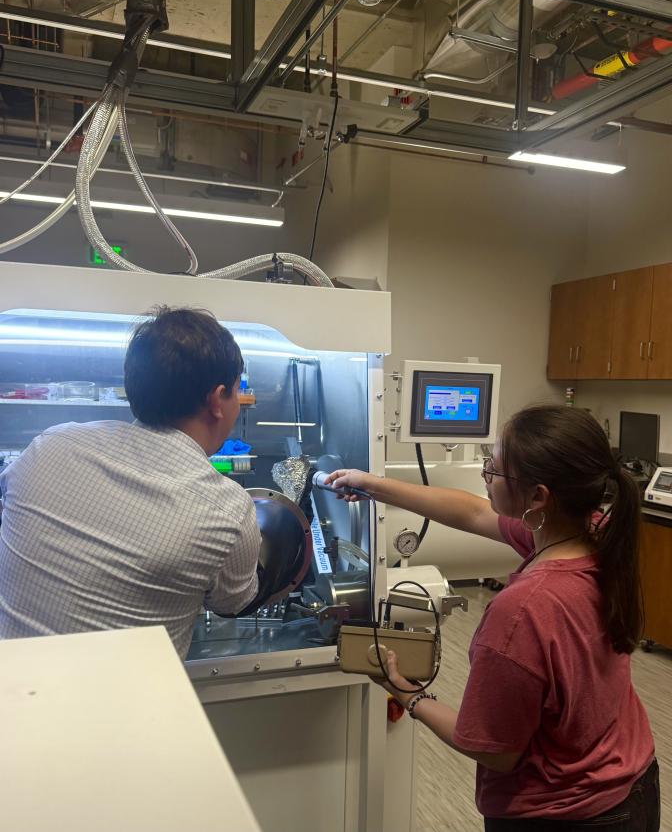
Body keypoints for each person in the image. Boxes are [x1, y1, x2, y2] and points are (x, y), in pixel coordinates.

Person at [326, 405, 660, 831]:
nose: (485, 474)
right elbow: (473, 512)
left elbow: (496, 751)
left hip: (564, 814)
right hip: (632, 783)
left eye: (494, 469)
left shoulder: (521, 611)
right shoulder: (593, 535)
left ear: (538, 496)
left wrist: (407, 694)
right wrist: (373, 485)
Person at [0, 306, 262, 658]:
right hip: (129, 708)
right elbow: (233, 603)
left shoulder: (51, 445)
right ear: (217, 401)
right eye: (235, 392)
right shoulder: (227, 509)